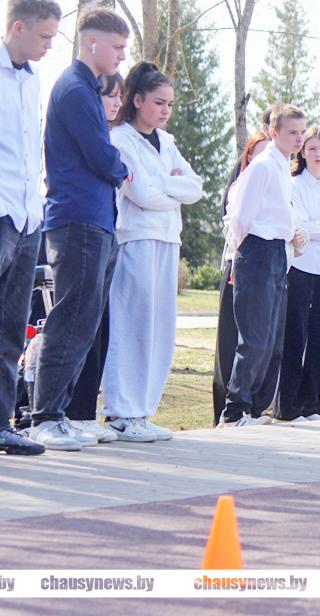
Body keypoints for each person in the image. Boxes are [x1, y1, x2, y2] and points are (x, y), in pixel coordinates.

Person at [30, 7, 131, 451]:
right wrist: (121, 166)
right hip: (77, 218)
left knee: (85, 321)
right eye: (117, 47)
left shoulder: (89, 89)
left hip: (97, 218)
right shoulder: (73, 88)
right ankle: (45, 416)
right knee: (70, 318)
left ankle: (63, 413)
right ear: (92, 43)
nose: (121, 57)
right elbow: (101, 156)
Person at [102, 62, 203, 441]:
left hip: (167, 240)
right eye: (159, 102)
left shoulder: (169, 142)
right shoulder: (121, 139)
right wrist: (168, 188)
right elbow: (139, 194)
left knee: (160, 330)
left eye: (170, 104)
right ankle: (120, 411)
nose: (165, 110)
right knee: (132, 326)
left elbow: (195, 189)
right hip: (136, 240)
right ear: (137, 99)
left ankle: (143, 411)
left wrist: (163, 186)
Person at [220, 104, 308, 427]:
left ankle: (252, 408)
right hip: (255, 251)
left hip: (276, 253)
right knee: (254, 336)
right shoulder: (262, 167)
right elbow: (240, 216)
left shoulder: (283, 168)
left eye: (301, 132)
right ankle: (234, 409)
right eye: (291, 133)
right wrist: (237, 258)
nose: (299, 139)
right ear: (273, 132)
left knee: (270, 338)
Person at [0, 0, 61, 455]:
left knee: (9, 330)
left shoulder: (35, 78)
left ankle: (1, 423)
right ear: (17, 27)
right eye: (44, 37)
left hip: (27, 219)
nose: (49, 46)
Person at [58, 69, 123, 444]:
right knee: (78, 323)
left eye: (118, 97)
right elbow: (114, 169)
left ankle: (82, 411)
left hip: (107, 229)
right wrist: (120, 168)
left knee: (98, 326)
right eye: (108, 96)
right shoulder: (96, 136)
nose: (114, 103)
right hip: (80, 226)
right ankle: (67, 411)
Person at [273, 127, 320, 423]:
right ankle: (287, 406)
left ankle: (311, 403)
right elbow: (297, 224)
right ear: (303, 152)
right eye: (311, 148)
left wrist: (315, 230)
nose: (317, 154)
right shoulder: (293, 184)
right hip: (301, 266)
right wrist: (319, 229)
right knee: (295, 336)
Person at [211, 132, 272, 425]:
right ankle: (228, 410)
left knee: (260, 340)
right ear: (247, 158)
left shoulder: (275, 181)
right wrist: (239, 256)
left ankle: (248, 406)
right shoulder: (240, 185)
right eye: (257, 154)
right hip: (239, 264)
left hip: (266, 267)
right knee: (233, 341)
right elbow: (235, 225)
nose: (263, 159)